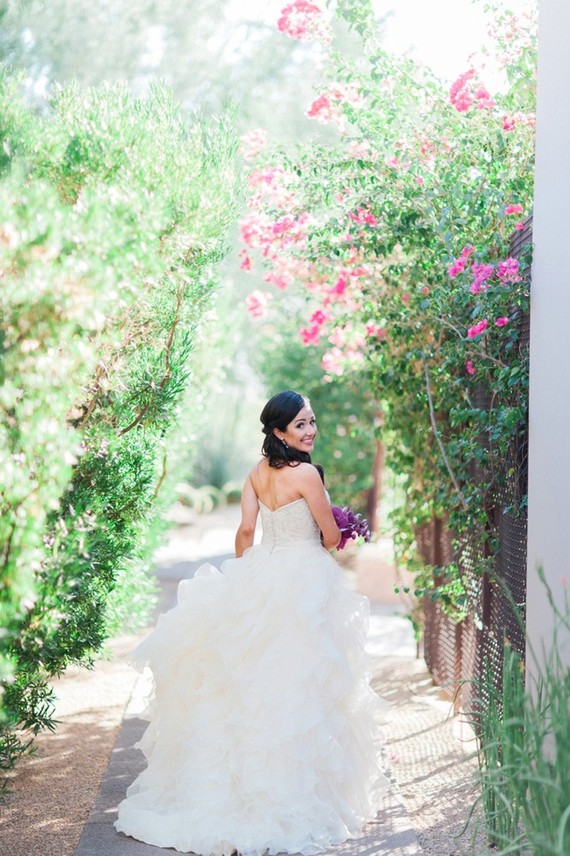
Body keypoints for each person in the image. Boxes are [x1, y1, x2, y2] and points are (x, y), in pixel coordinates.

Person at [115, 390, 388, 855]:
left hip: (265, 568)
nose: (310, 430)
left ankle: (246, 789)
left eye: (312, 421)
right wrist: (336, 524)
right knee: (304, 681)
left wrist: (245, 574)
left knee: (255, 681)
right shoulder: (305, 474)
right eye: (301, 424)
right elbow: (328, 534)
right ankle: (295, 793)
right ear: (279, 431)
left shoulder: (256, 474)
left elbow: (245, 532)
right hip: (304, 577)